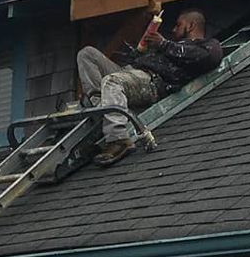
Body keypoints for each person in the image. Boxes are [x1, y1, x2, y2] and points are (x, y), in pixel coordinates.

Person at [74, 9, 223, 167]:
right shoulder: (170, 47)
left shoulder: (208, 46)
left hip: (151, 81)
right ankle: (103, 107)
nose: (174, 29)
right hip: (131, 74)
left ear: (192, 25)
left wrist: (164, 44)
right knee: (87, 54)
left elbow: (210, 58)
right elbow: (137, 62)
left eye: (178, 25)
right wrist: (140, 50)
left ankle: (118, 139)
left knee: (112, 82)